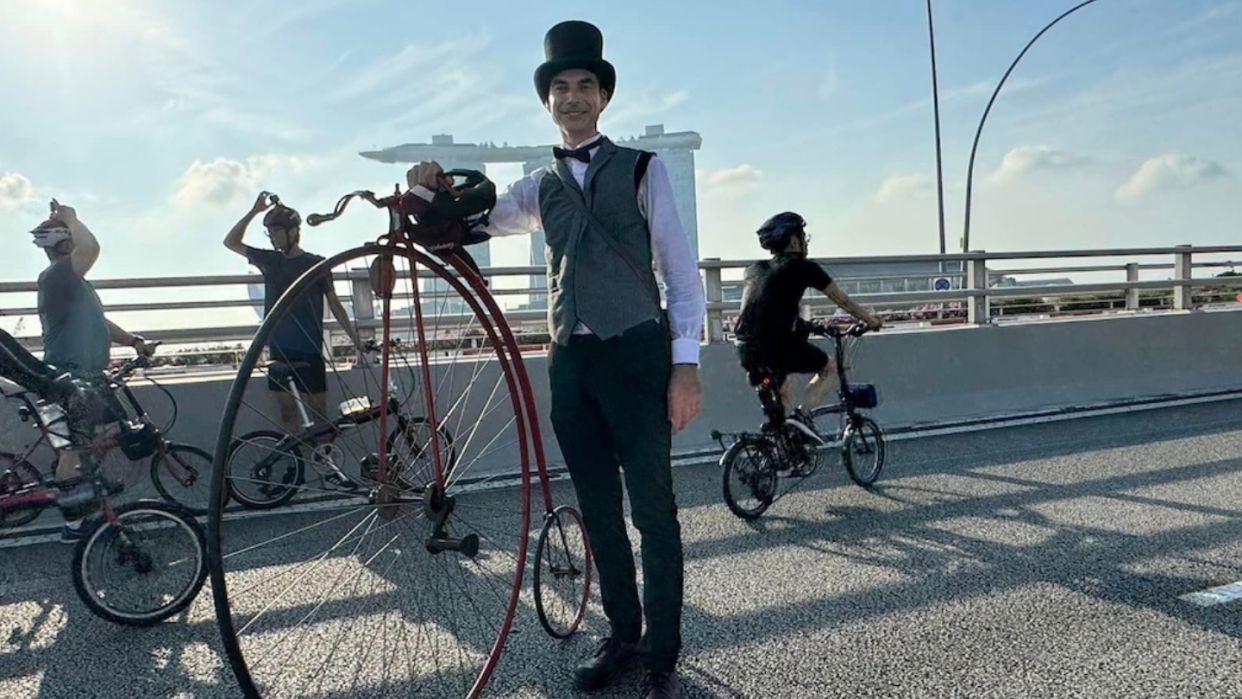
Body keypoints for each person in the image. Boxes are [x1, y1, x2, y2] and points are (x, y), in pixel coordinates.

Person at [408, 20, 703, 699]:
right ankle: (623, 633)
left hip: (637, 353)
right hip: (571, 362)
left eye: (585, 87)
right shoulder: (537, 186)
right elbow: (467, 223)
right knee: (598, 507)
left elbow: (682, 276)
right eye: (561, 88)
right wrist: (425, 187)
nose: (573, 98)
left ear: (602, 98)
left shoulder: (642, 168)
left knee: (653, 511)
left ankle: (664, 650)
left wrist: (684, 366)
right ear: (548, 101)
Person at [224, 191, 368, 491]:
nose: (272, 237)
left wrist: (355, 339)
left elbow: (336, 303)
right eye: (270, 232)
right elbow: (231, 242)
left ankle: (331, 470)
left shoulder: (317, 264)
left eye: (276, 231)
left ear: (292, 232)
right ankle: (293, 469)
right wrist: (253, 211)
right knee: (287, 412)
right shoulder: (269, 261)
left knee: (320, 416)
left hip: (311, 348)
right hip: (279, 348)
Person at [30, 201, 152, 541]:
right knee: (72, 451)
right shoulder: (56, 276)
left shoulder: (76, 283)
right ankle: (73, 524)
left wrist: (133, 341)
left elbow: (99, 322)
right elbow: (92, 247)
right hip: (68, 379)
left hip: (89, 378)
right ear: (65, 242)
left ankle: (86, 486)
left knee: (101, 438)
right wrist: (72, 218)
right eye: (72, 236)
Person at [733, 211, 883, 441]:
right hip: (776, 345)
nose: (805, 242)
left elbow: (766, 309)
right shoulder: (805, 267)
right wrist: (870, 320)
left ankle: (780, 449)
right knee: (829, 369)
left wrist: (806, 326)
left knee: (781, 388)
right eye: (803, 236)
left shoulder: (753, 269)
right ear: (794, 240)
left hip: (745, 348)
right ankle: (802, 417)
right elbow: (841, 300)